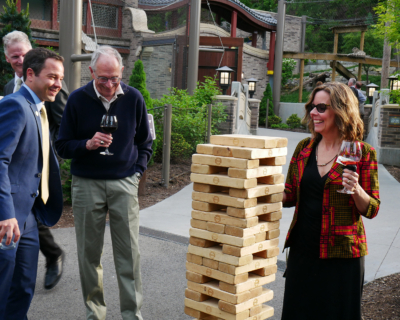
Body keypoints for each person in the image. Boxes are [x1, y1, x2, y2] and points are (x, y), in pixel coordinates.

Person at [56, 45, 153, 320]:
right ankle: (94, 315)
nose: (109, 85)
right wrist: (87, 144)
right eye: (103, 78)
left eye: (114, 78)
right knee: (89, 256)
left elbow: (145, 141)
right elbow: (62, 146)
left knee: (129, 255)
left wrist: (136, 173)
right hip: (87, 183)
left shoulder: (133, 98)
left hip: (124, 182)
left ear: (122, 71)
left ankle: (131, 315)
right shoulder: (76, 99)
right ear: (91, 72)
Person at [281, 82, 380, 320]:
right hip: (302, 252)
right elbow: (289, 196)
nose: (313, 113)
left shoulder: (362, 153)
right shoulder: (304, 148)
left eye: (321, 107)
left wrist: (356, 190)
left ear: (341, 110)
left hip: (342, 257)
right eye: (312, 107)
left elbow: (372, 209)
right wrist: (259, 184)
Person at [0, 47, 64, 319]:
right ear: (30, 74)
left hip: (28, 218)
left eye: (60, 78)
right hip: (9, 219)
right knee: (3, 290)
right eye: (52, 77)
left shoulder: (39, 108)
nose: (58, 84)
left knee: (24, 287)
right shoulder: (15, 104)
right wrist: (5, 216)